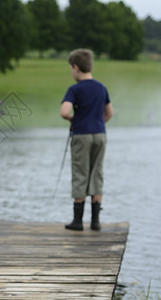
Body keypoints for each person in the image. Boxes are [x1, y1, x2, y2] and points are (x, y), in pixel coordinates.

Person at [60, 48, 113, 231]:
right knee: (96, 172)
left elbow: (64, 112)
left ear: (76, 67)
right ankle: (96, 221)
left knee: (80, 172)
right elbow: (109, 113)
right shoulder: (101, 87)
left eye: (71, 68)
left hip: (81, 135)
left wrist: (73, 119)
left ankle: (77, 221)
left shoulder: (74, 89)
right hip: (100, 134)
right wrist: (98, 123)